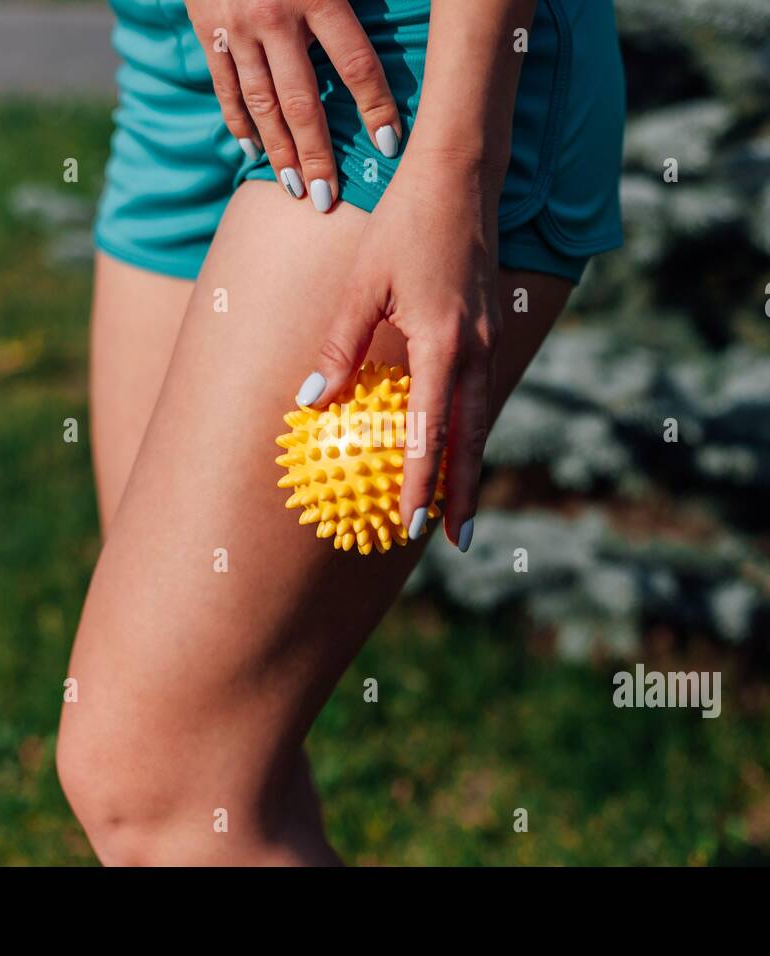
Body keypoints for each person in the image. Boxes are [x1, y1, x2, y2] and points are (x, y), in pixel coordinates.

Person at [57, 0, 624, 865]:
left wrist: (454, 159)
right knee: (226, 768)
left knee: (154, 784)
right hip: (184, 55)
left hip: (407, 74)